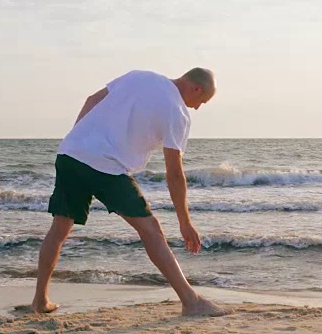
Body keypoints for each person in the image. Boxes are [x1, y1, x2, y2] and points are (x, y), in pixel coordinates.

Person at [31, 68, 231, 317]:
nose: (198, 108)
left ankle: (40, 301)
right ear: (196, 89)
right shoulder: (177, 112)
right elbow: (175, 174)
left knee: (60, 227)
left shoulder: (140, 76)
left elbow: (92, 100)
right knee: (151, 230)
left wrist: (77, 139)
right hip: (106, 166)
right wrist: (185, 221)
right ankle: (191, 301)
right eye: (202, 102)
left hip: (70, 154)